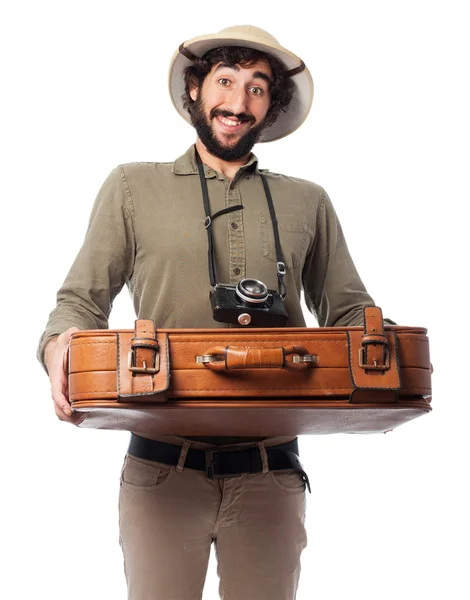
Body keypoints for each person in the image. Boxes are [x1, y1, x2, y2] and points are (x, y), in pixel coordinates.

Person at [37, 25, 396, 600]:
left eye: (257, 87)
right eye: (225, 82)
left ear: (271, 106)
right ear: (196, 91)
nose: (237, 101)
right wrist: (58, 345)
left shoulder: (310, 200)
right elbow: (79, 301)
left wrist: (388, 353)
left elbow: (351, 310)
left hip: (272, 472)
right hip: (160, 470)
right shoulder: (132, 186)